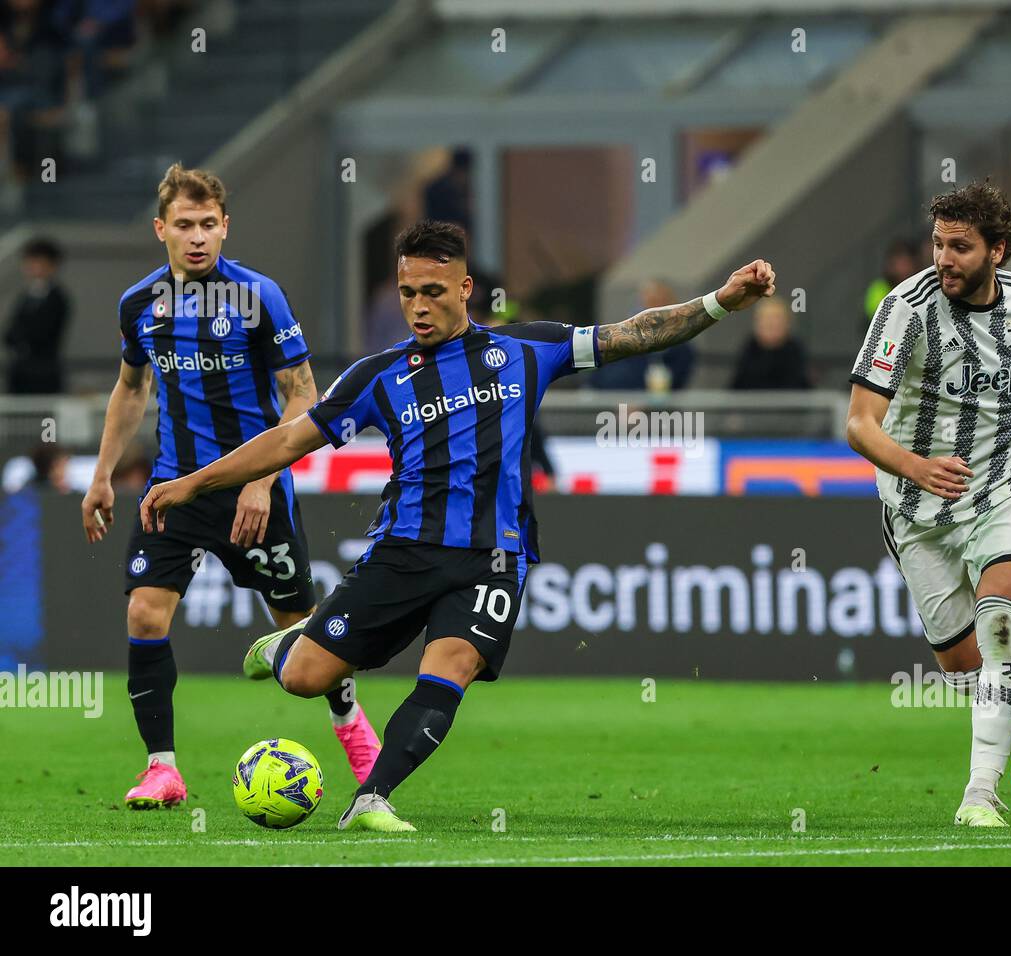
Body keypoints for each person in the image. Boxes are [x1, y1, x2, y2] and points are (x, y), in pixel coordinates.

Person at [138, 220, 776, 832]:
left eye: (433, 292)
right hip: (402, 554)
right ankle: (284, 647)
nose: (418, 306)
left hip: (493, 557)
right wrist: (192, 483)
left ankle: (371, 798)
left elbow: (635, 334)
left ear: (465, 290)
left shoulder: (528, 349)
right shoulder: (377, 375)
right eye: (407, 292)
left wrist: (720, 302)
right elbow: (285, 443)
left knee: (453, 666)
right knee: (307, 678)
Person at [80, 163, 380, 810]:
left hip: (257, 493)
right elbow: (132, 389)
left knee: (301, 629)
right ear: (160, 229)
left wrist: (263, 479)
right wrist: (102, 475)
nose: (197, 237)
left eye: (208, 225)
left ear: (226, 227)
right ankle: (163, 770)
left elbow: (303, 395)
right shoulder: (139, 304)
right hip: (174, 487)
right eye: (184, 225)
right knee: (143, 611)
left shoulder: (259, 296)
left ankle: (353, 730)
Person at [844, 181, 1011, 827]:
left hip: (1003, 489)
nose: (944, 258)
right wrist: (918, 467)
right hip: (917, 505)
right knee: (963, 663)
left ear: (998, 251)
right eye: (938, 243)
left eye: (960, 246)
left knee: (1004, 622)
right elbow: (860, 424)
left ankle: (980, 795)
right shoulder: (905, 307)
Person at [587, 279, 695, 390]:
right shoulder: (618, 338)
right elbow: (597, 378)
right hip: (606, 401)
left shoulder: (679, 348)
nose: (651, 310)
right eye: (647, 303)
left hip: (649, 405)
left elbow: (672, 385)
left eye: (658, 303)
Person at [4, 236, 70, 394]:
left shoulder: (57, 298)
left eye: (39, 262)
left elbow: (44, 332)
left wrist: (22, 339)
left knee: (44, 418)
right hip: (19, 373)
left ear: (52, 265)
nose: (33, 267)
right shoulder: (25, 296)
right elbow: (10, 332)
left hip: (44, 374)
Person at [730, 296, 811, 390]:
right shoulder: (748, 350)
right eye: (767, 320)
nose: (772, 324)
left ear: (787, 323)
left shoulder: (795, 352)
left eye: (776, 319)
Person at [863, 238, 918, 325]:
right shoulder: (880, 288)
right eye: (899, 263)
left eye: (906, 263)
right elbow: (875, 317)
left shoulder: (919, 285)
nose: (904, 268)